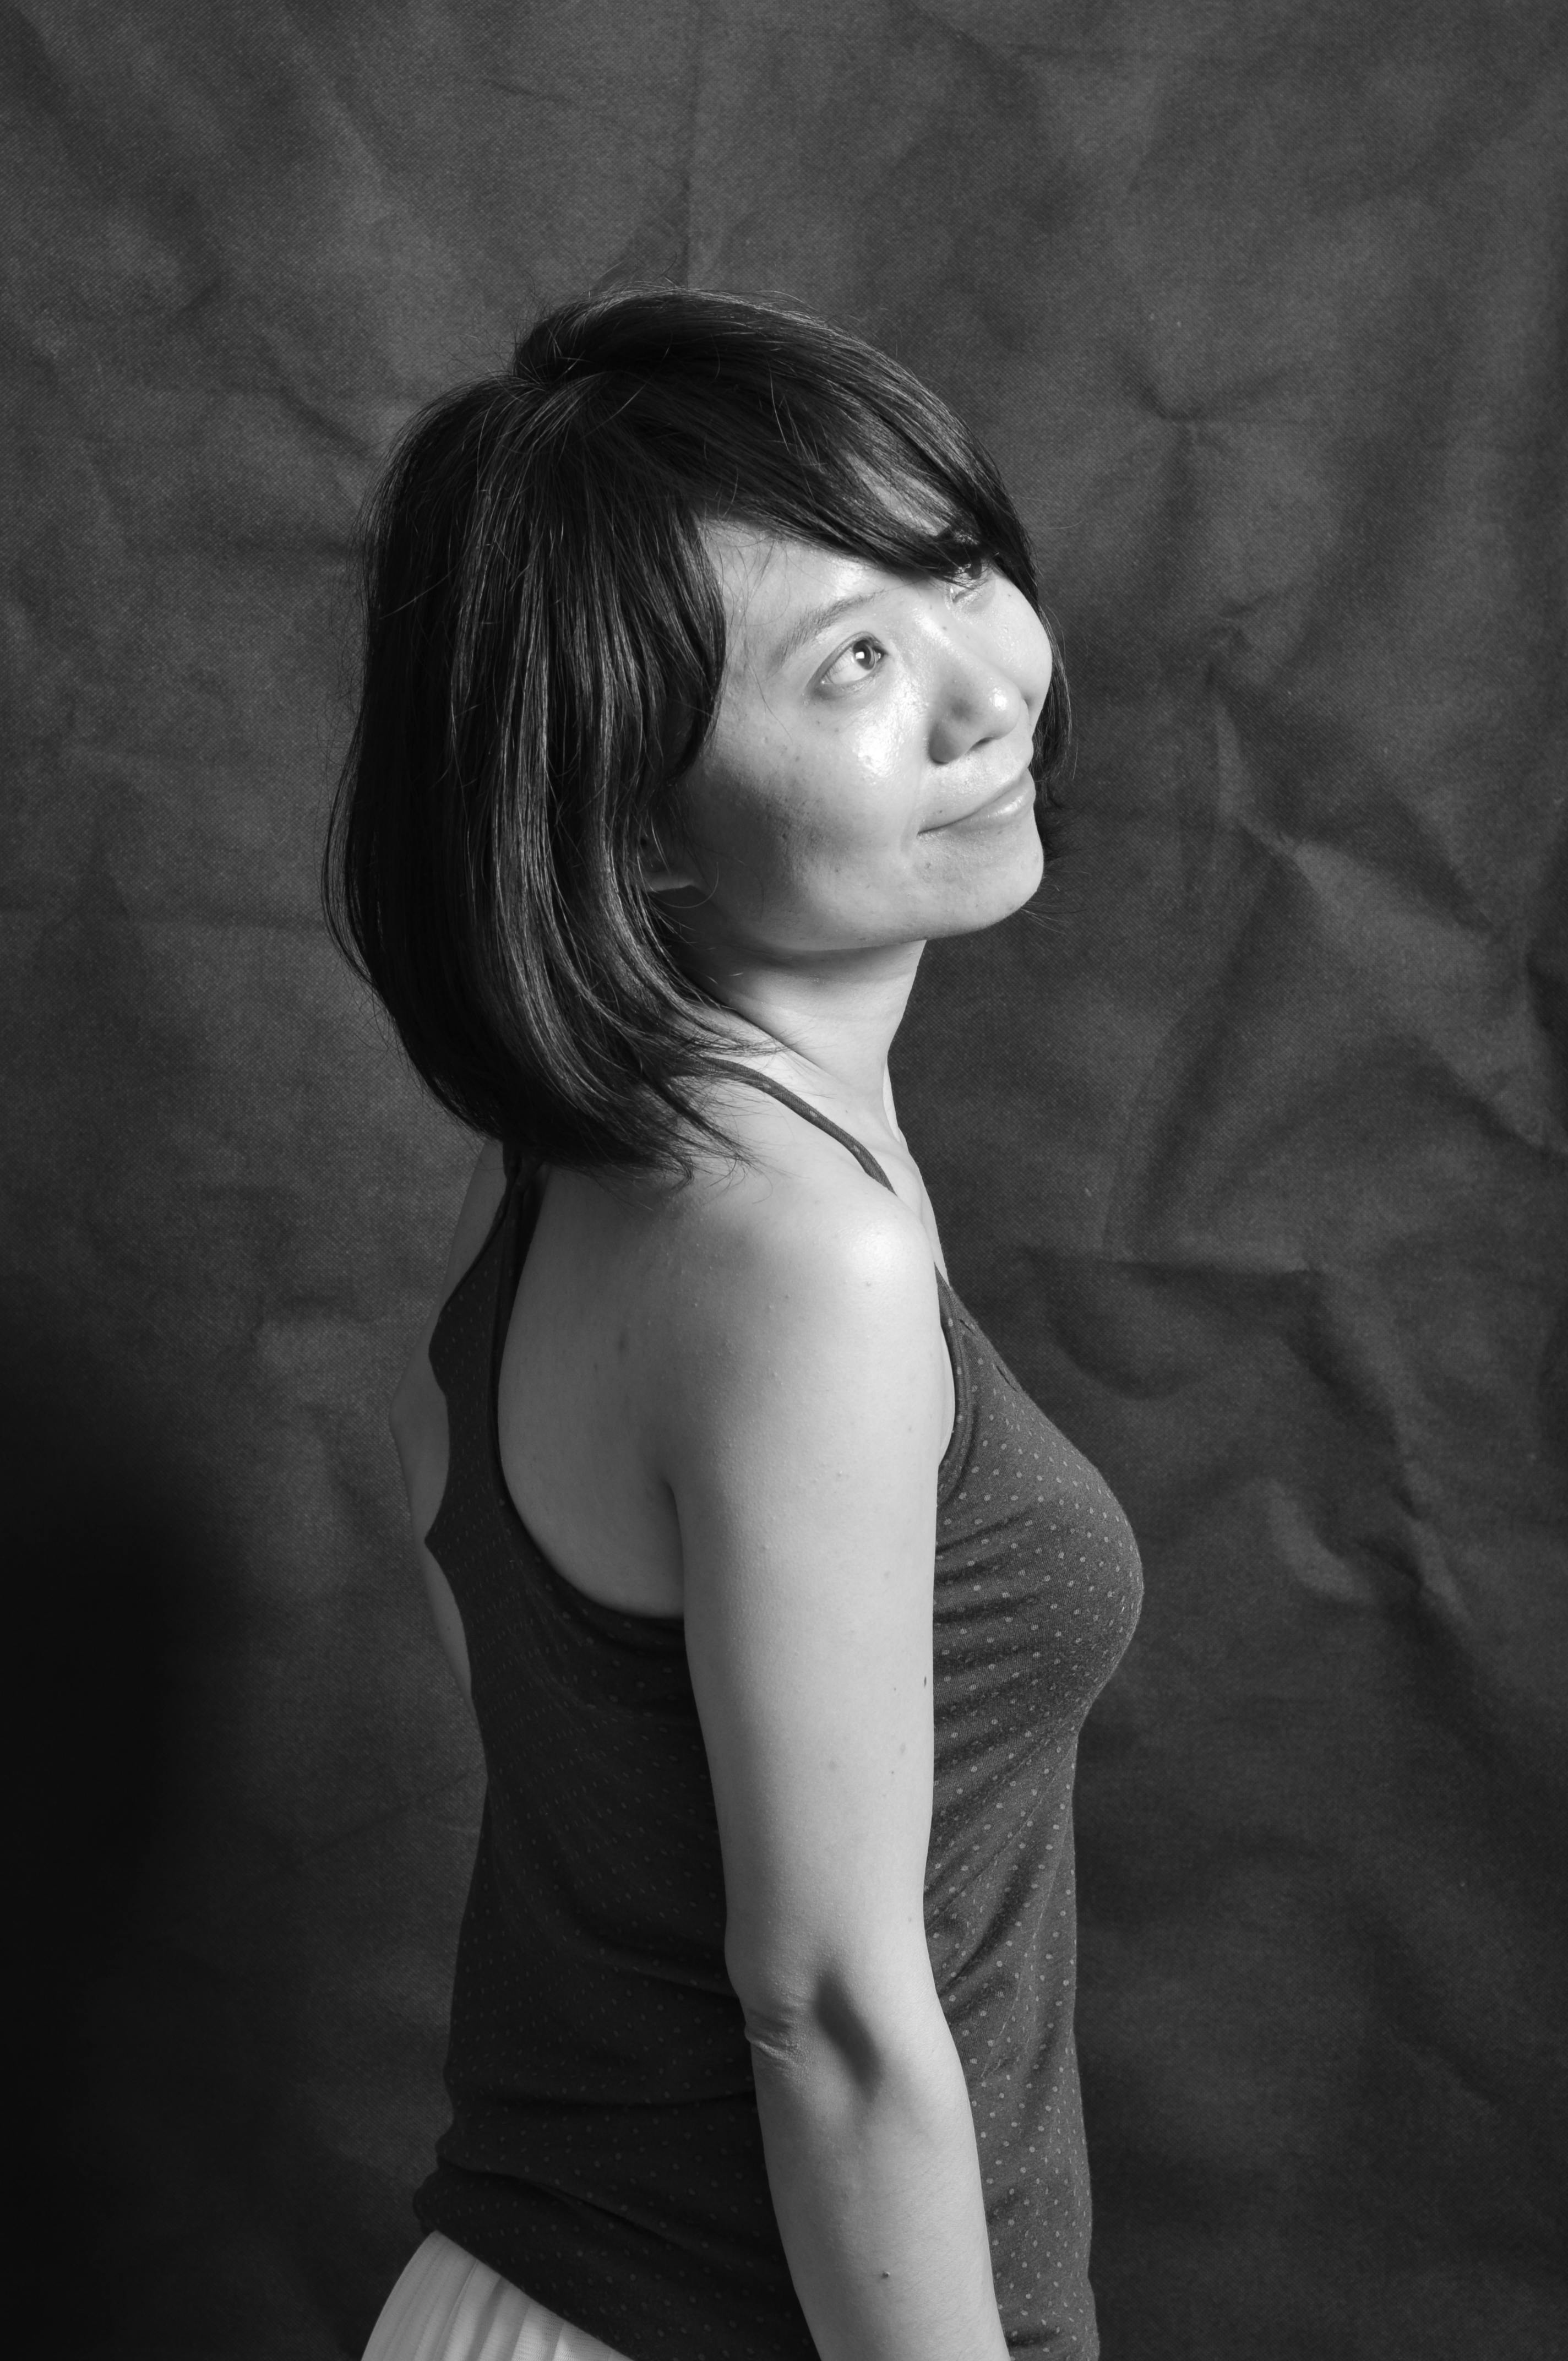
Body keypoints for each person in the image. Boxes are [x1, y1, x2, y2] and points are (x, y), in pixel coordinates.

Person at [325, 286, 1142, 2361]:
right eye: (849, 662)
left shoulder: (573, 1229)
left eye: (952, 573)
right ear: (625, 825)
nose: (984, 697)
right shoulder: (802, 1264)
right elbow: (830, 2014)